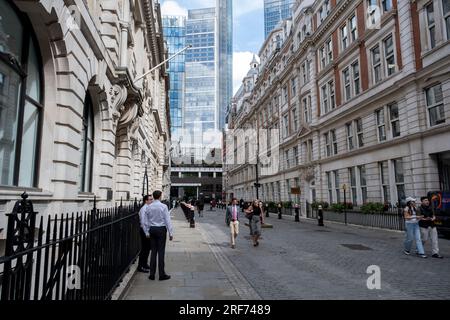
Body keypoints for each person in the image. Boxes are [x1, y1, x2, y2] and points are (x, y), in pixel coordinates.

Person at [143, 190, 174, 281]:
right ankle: (161, 274)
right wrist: (170, 233)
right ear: (160, 196)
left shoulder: (149, 207)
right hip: (161, 229)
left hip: (152, 229)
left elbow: (145, 221)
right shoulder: (164, 206)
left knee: (153, 252)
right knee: (161, 252)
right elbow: (167, 220)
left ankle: (152, 274)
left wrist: (147, 232)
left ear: (153, 196)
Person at [138, 195, 153, 272]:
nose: (152, 201)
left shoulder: (148, 208)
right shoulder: (144, 209)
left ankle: (145, 264)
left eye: (152, 199)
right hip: (144, 231)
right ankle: (140, 266)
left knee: (147, 249)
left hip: (147, 230)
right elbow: (143, 222)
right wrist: (146, 232)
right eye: (150, 199)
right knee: (144, 249)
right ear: (146, 201)